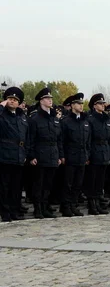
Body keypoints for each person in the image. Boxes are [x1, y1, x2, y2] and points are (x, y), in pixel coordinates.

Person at [28, 88, 64, 219]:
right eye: (47, 99)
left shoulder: (54, 119)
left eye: (51, 99)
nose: (50, 101)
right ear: (41, 101)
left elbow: (59, 139)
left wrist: (60, 155)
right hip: (40, 154)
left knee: (49, 184)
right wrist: (31, 156)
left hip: (53, 154)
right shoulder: (35, 118)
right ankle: (38, 208)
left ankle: (45, 206)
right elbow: (31, 139)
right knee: (39, 183)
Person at [60, 93, 91, 217]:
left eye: (82, 104)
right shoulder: (66, 121)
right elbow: (61, 140)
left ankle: (73, 205)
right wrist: (62, 156)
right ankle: (65, 206)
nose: (81, 106)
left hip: (82, 156)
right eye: (78, 103)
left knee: (78, 183)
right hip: (70, 156)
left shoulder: (85, 121)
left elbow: (88, 140)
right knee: (68, 183)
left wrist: (87, 155)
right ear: (72, 105)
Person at [0, 87, 28, 222]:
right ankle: (5, 212)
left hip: (19, 155)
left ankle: (14, 210)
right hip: (5, 155)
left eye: (15, 100)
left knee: (16, 187)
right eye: (10, 99)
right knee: (4, 186)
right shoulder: (2, 115)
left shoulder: (21, 117)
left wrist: (26, 153)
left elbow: (26, 137)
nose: (12, 101)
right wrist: (0, 107)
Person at [85, 93, 110, 215]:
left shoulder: (106, 119)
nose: (103, 105)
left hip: (104, 152)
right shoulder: (90, 119)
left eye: (103, 103)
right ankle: (92, 205)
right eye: (100, 104)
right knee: (92, 180)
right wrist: (88, 155)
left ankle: (98, 203)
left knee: (100, 181)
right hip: (95, 151)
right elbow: (88, 139)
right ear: (94, 106)